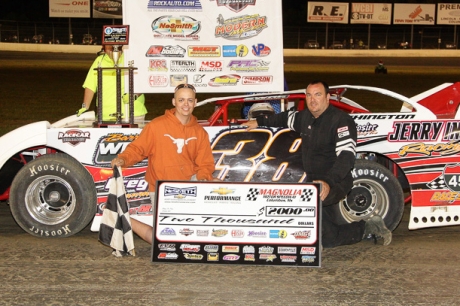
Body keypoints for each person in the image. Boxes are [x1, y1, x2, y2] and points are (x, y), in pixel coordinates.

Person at [245, 80, 392, 248]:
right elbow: (284, 118)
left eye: (318, 95)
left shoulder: (341, 121)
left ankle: (365, 227)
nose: (312, 100)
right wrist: (259, 122)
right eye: (309, 95)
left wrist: (328, 182)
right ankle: (367, 226)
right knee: (326, 235)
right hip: (312, 182)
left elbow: (346, 157)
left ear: (328, 97)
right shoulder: (304, 116)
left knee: (313, 227)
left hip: (336, 181)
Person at [111, 83, 217, 244]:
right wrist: (123, 159)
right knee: (164, 241)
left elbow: (205, 164)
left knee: (189, 236)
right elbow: (138, 149)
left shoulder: (200, 133)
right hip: (161, 188)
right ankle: (124, 219)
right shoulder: (156, 126)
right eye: (181, 100)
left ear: (195, 102)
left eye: (189, 100)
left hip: (189, 187)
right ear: (174, 102)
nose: (186, 105)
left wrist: (203, 179)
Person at [77, 44, 148, 123]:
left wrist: (134, 95)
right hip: (104, 116)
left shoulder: (131, 59)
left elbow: (144, 81)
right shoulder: (99, 61)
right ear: (103, 47)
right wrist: (84, 107)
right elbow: (90, 86)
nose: (112, 49)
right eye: (109, 46)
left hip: (132, 114)